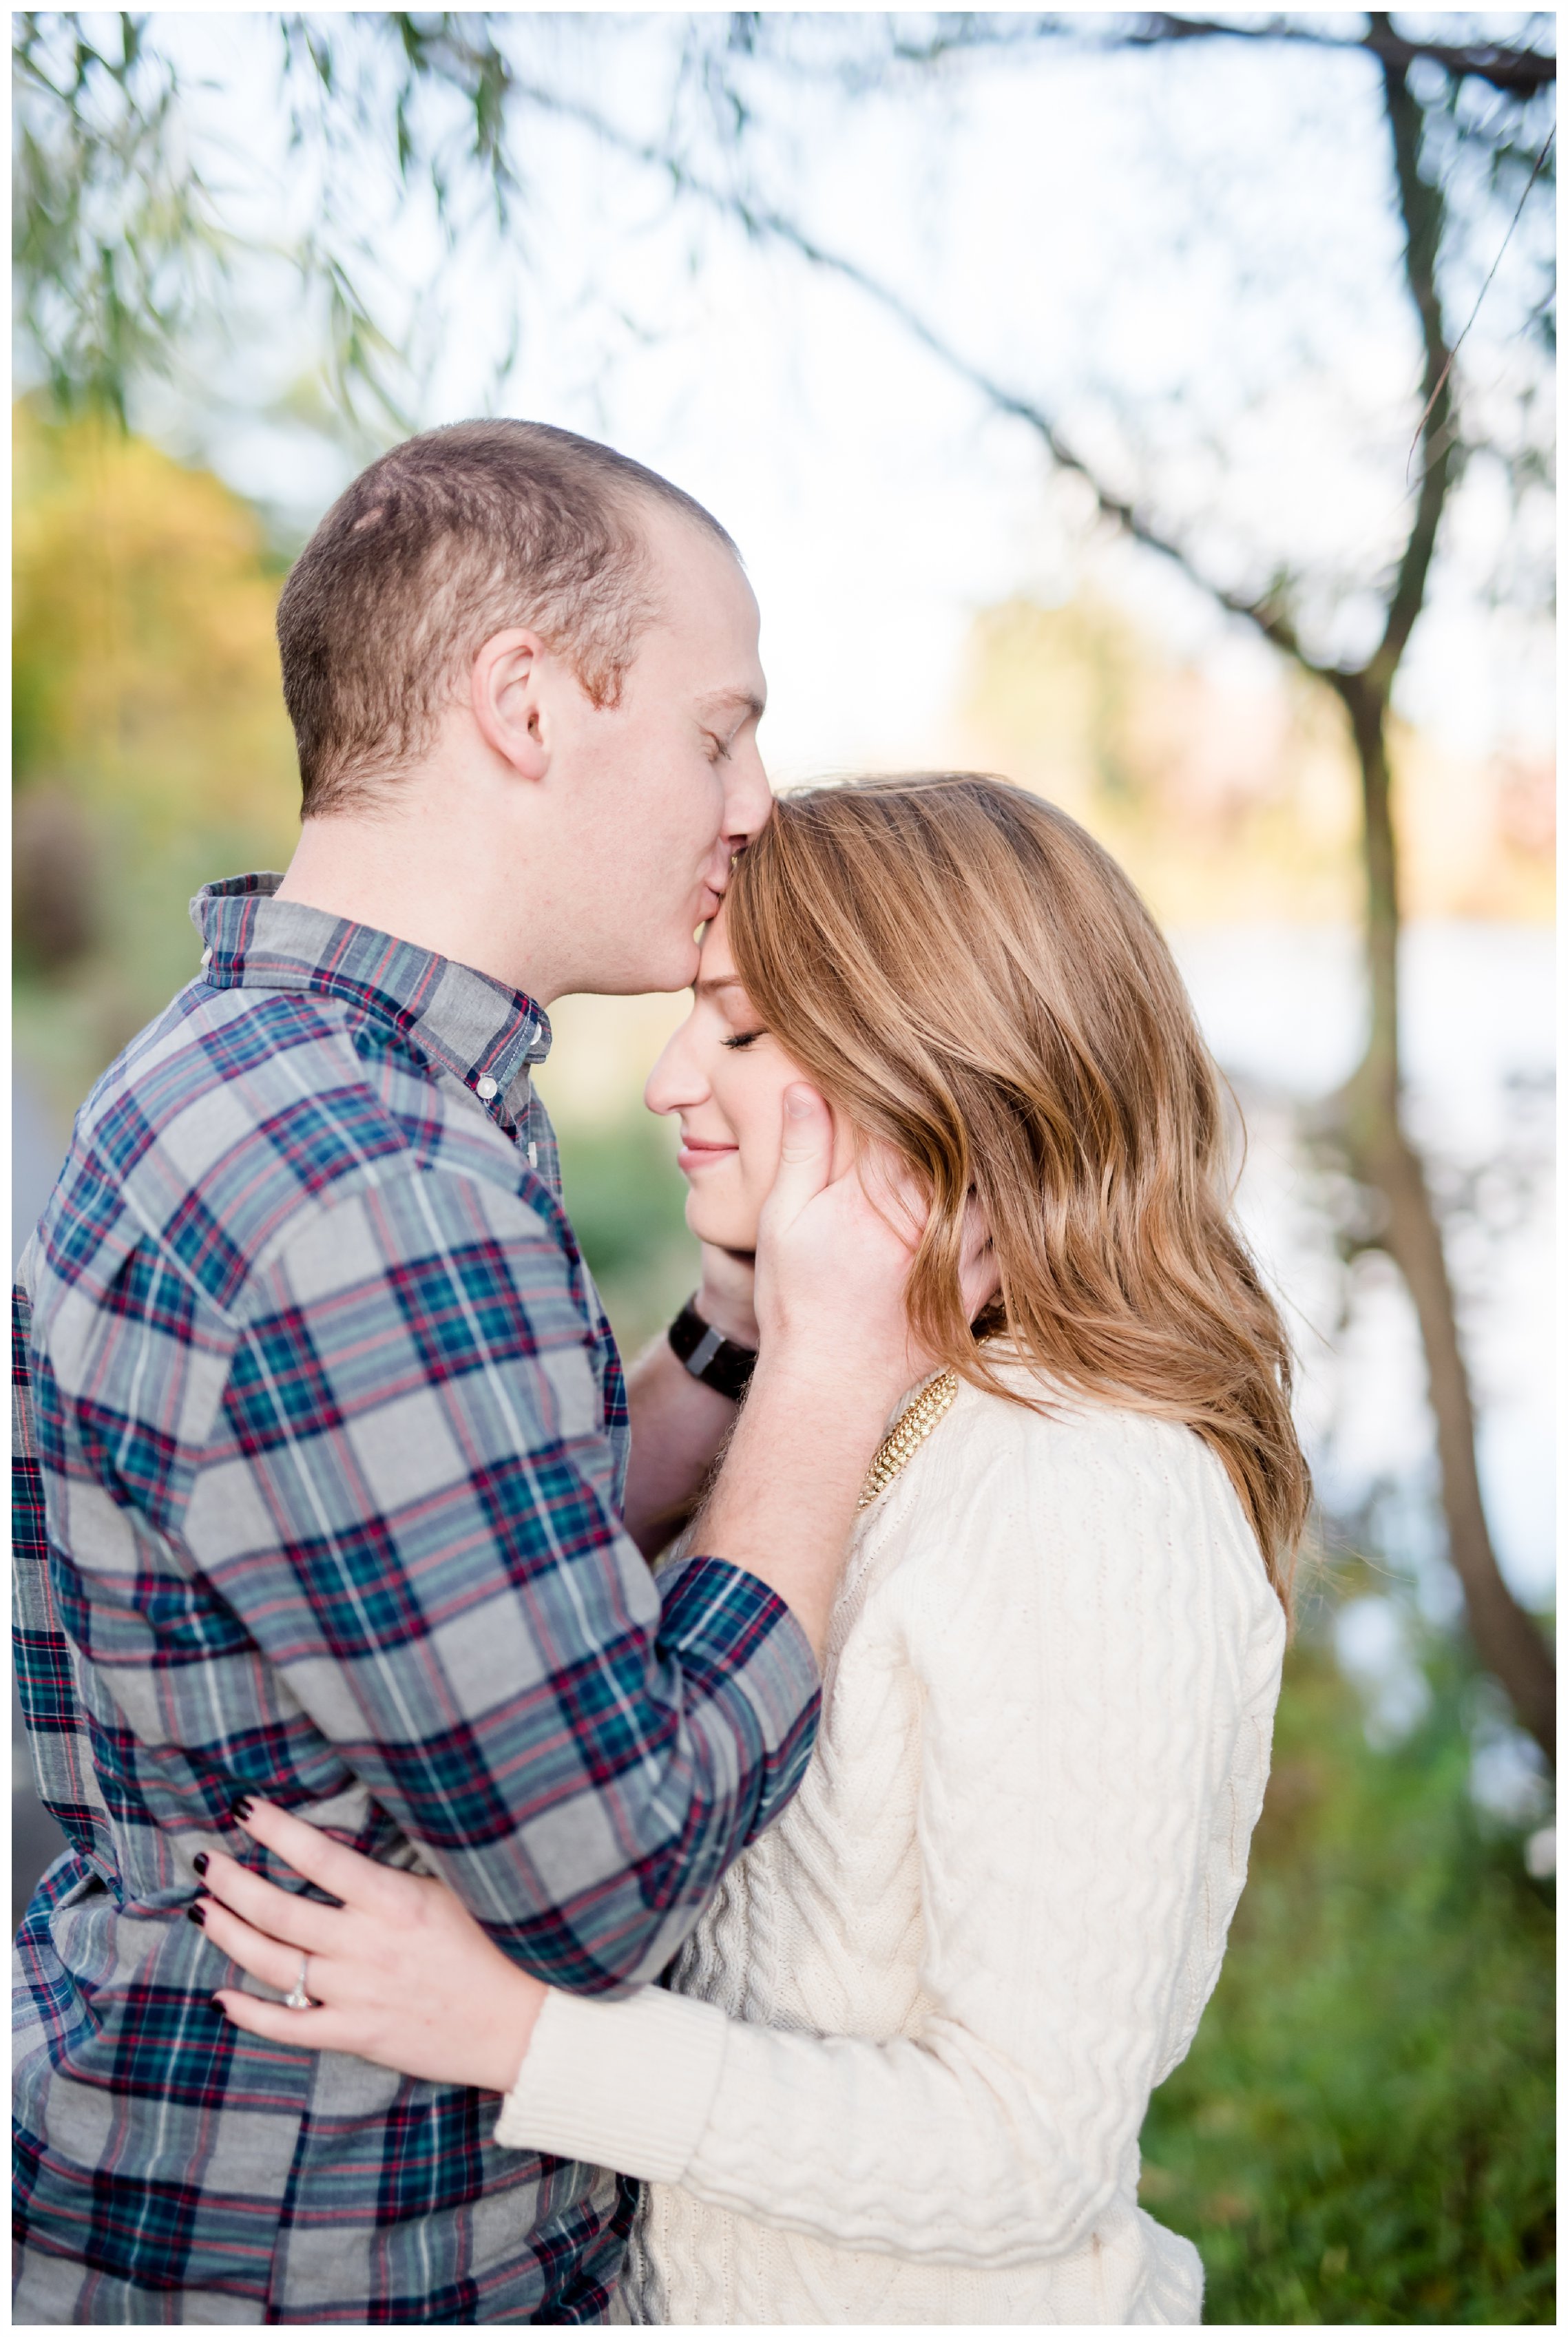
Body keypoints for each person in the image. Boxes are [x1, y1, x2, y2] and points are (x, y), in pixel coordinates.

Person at [11, 426, 972, 2324]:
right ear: (524, 704)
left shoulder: (267, 1071)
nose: (755, 802)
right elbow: (610, 1868)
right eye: (718, 730)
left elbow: (453, 1569)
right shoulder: (371, 1190)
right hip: (335, 2255)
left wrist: (722, 1334)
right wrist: (837, 1367)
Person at [191, 773, 1311, 2327]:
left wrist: (513, 2031)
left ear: (930, 1056)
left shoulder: (1093, 1487)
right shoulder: (873, 1399)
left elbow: (1024, 2148)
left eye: (732, 1027)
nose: (663, 1080)